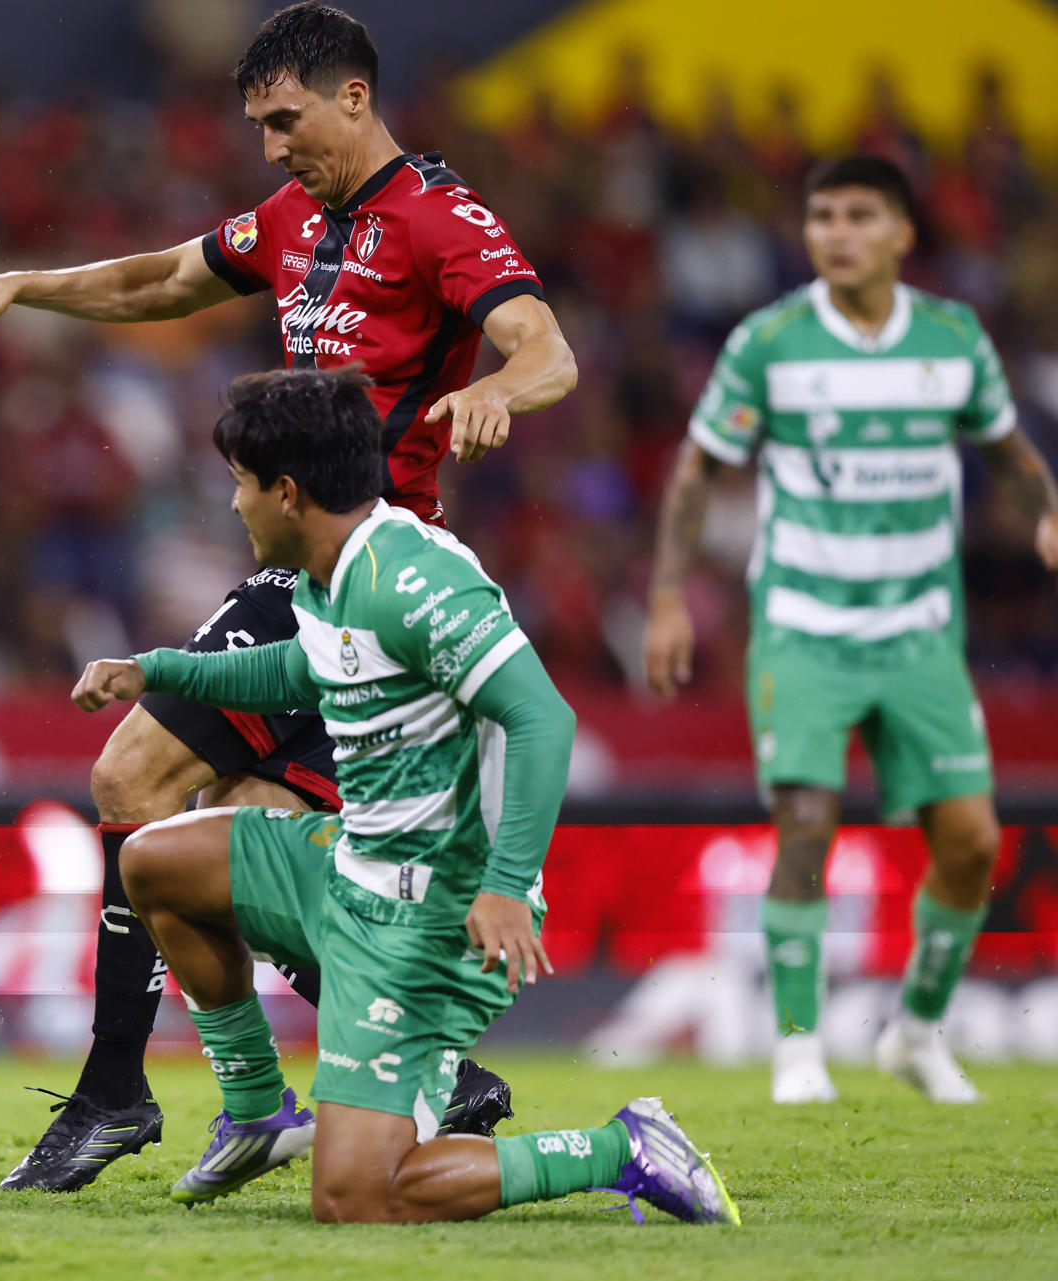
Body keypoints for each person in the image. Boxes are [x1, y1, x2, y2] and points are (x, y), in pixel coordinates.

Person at [0, 1, 576, 1191]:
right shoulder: (292, 217)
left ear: (354, 98)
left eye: (286, 120)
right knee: (246, 821)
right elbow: (165, 279)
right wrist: (23, 283)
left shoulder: (436, 217)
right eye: (260, 126)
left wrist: (501, 394)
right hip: (306, 575)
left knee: (130, 783)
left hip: (370, 562)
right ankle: (427, 1078)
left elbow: (544, 345)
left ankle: (119, 1092)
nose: (272, 146)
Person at [69, 368, 737, 1224]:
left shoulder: (411, 578)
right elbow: (297, 669)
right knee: (154, 858)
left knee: (357, 1195)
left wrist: (504, 885)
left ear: (287, 490)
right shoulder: (329, 568)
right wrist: (155, 671)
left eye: (241, 484)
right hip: (353, 867)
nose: (233, 505)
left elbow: (543, 718)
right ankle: (257, 1110)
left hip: (434, 921)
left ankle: (623, 1145)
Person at [642, 154, 1058, 1105]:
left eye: (860, 215)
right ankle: (797, 1047)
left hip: (920, 633)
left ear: (902, 233)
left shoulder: (952, 340)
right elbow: (700, 466)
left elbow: (1008, 449)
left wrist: (1045, 509)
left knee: (972, 842)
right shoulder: (771, 341)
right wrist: (667, 596)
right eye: (822, 215)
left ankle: (915, 1030)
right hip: (804, 627)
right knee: (805, 824)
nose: (836, 231)